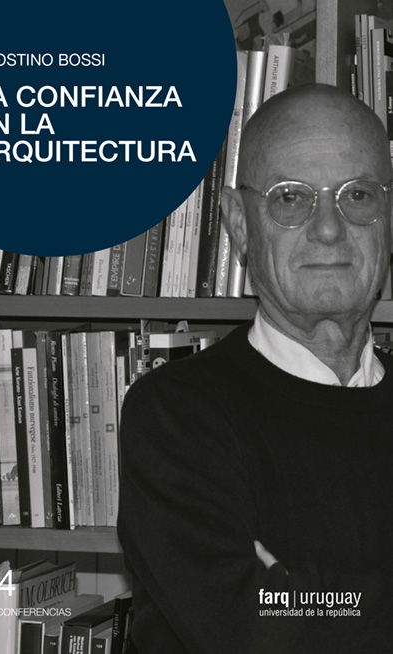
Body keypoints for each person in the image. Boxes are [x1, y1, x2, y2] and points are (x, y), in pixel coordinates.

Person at [117, 84, 393, 653]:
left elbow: (285, 619)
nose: (328, 228)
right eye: (290, 198)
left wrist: (301, 596)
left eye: (358, 194)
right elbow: (246, 629)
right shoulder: (175, 414)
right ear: (239, 224)